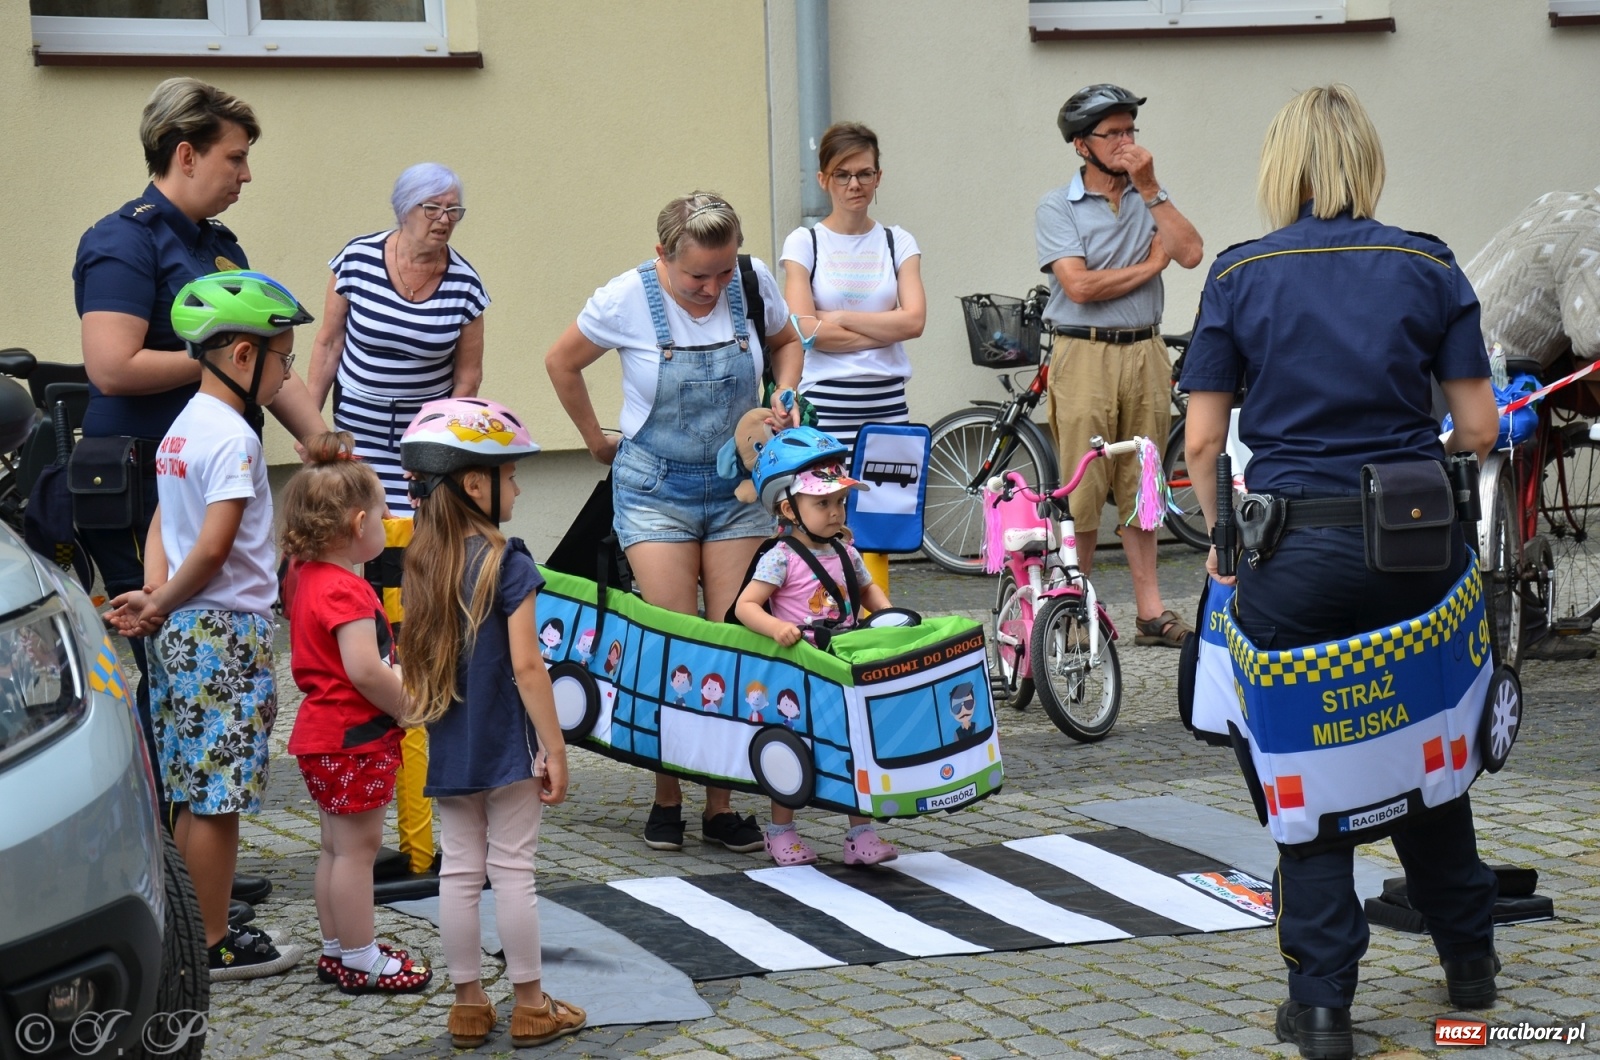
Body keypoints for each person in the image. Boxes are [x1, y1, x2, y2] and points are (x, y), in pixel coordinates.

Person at [1179, 84, 1501, 1060]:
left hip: (1292, 557)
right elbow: (1479, 427)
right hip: (1417, 552)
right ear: (1366, 160)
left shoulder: (1239, 274)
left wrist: (1225, 542)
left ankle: (1321, 1008)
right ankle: (1470, 966)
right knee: (1427, 747)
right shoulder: (1427, 264)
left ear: (1282, 166)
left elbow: (1203, 444)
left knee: (1307, 776)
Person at [73, 78, 326, 915]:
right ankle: (172, 890)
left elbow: (262, 352)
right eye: (234, 157)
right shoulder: (123, 241)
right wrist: (221, 357)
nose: (245, 174)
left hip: (197, 481)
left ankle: (195, 869)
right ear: (185, 154)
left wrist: (318, 435)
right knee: (173, 693)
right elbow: (113, 365)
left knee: (188, 704)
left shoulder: (218, 244)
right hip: (147, 484)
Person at [545, 191, 803, 854]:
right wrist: (594, 440)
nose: (713, 288)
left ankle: (720, 804)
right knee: (673, 642)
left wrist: (785, 392)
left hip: (738, 486)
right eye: (697, 277)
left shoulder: (752, 282)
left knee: (729, 638)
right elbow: (561, 362)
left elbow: (785, 342)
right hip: (655, 490)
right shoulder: (625, 299)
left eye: (723, 272)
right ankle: (667, 795)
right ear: (663, 254)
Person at [105, 270, 316, 981]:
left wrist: (155, 592)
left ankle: (191, 927)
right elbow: (216, 546)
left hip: (184, 629)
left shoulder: (183, 426)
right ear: (243, 355)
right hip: (224, 632)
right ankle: (213, 942)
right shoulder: (235, 437)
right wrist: (161, 600)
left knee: (192, 789)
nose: (286, 374)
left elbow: (164, 521)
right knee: (219, 799)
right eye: (283, 359)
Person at [396, 397, 585, 1049]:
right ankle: (531, 1005)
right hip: (510, 748)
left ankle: (468, 1006)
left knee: (457, 872)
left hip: (450, 746)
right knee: (512, 872)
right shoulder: (509, 560)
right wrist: (555, 748)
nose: (519, 486)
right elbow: (529, 667)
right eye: (511, 474)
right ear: (475, 484)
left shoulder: (421, 560)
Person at [1036, 83, 1204, 648]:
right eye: (1113, 133)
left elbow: (1190, 252)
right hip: (1083, 351)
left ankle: (1150, 612)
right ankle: (1074, 610)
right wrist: (1150, 266)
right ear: (1082, 145)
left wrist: (1151, 189)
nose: (1127, 141)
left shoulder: (1148, 196)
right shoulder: (1057, 206)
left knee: (1143, 480)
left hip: (1145, 349)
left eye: (1131, 130)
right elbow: (1079, 287)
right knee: (1083, 485)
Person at [280, 431, 432, 995]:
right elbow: (365, 670)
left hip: (323, 736)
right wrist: (410, 707)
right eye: (384, 512)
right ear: (358, 522)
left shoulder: (307, 576)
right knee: (357, 854)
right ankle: (362, 958)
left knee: (335, 849)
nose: (389, 522)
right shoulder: (346, 591)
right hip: (353, 738)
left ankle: (337, 949)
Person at [733, 426, 897, 867]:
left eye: (840, 501)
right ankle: (780, 832)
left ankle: (860, 834)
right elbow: (746, 606)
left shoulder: (848, 552)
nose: (835, 512)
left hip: (843, 663)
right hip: (800, 668)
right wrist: (775, 628)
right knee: (793, 747)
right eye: (822, 503)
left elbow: (868, 592)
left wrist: (886, 615)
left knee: (855, 743)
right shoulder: (780, 556)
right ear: (790, 508)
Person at [1464, 185, 1600, 661]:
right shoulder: (1592, 238)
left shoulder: (1569, 203)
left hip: (1460, 343)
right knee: (1507, 477)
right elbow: (1592, 336)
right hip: (1491, 371)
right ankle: (1523, 627)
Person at [307, 162, 489, 513]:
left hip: (420, 441)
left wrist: (438, 448)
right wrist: (311, 429)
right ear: (405, 209)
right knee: (354, 524)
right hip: (355, 434)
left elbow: (468, 378)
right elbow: (329, 344)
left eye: (453, 210)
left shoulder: (466, 285)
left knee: (413, 530)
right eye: (433, 208)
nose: (444, 220)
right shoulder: (357, 260)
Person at [780, 121, 925, 455]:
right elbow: (804, 330)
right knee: (825, 492)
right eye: (842, 175)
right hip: (825, 407)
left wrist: (839, 317)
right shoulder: (805, 243)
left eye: (865, 174)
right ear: (823, 180)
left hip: (887, 405)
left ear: (878, 177)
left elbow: (915, 322)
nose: (855, 184)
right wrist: (887, 330)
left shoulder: (898, 241)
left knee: (886, 491)